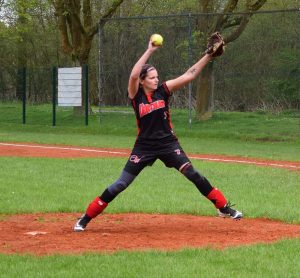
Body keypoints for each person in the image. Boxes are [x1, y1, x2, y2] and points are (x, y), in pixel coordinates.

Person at [74, 36, 243, 232]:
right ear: (143, 80)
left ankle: (223, 208)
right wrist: (150, 50)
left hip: (168, 144)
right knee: (120, 184)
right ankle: (85, 218)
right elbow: (133, 76)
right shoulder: (135, 95)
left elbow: (189, 75)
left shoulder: (163, 91)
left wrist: (208, 55)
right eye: (152, 77)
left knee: (193, 174)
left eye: (157, 76)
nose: (156, 80)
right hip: (144, 146)